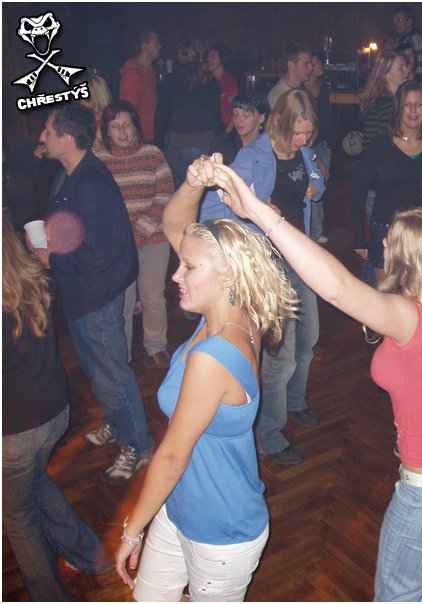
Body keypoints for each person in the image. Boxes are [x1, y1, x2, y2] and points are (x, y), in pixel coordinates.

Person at [204, 156, 422, 601]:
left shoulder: (409, 316)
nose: (382, 243)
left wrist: (259, 214)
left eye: (389, 240)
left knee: (397, 593)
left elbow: (336, 286)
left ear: (411, 260)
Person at [114, 157, 297, 601]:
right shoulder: (236, 312)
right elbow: (175, 223)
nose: (176, 274)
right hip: (178, 506)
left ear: (228, 275)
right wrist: (194, 182)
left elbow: (172, 456)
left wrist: (132, 529)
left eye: (189, 268)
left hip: (220, 532)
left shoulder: (214, 356)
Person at [200, 89, 326, 466]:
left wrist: (317, 185)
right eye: (298, 132)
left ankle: (295, 401)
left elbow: (316, 173)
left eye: (308, 133)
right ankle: (268, 435)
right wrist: (253, 211)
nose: (303, 139)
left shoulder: (302, 152)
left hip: (300, 256)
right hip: (270, 264)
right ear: (279, 122)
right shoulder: (253, 157)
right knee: (280, 357)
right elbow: (212, 208)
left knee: (308, 340)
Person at [33, 104, 153, 484]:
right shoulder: (71, 174)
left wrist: (53, 258)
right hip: (82, 293)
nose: (42, 137)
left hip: (96, 297)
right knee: (97, 371)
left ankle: (138, 445)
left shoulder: (90, 185)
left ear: (67, 139)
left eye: (48, 131)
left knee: (112, 374)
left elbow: (97, 254)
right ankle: (118, 423)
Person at [3, 216, 113, 601]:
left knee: (19, 517)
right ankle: (92, 556)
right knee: (36, 483)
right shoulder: (34, 281)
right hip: (53, 413)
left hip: (15, 430)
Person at [94, 100, 175, 370]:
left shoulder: (153, 154)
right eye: (115, 126)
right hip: (118, 245)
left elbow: (165, 194)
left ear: (136, 127)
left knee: (153, 296)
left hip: (154, 239)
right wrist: (122, 237)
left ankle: (157, 346)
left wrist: (139, 232)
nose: (122, 131)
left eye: (127, 125)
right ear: (106, 130)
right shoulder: (98, 160)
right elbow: (97, 203)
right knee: (123, 303)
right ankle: (123, 353)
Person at [352, 81, 422, 283]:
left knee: (418, 293)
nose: (412, 110)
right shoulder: (380, 144)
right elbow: (359, 190)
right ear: (398, 109)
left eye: (418, 104)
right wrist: (359, 237)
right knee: (387, 294)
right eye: (407, 105)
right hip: (386, 230)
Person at [155, 38, 221, 188]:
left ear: (180, 57)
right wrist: (216, 144)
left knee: (180, 189)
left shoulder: (170, 80)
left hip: (176, 142)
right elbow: (215, 118)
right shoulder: (211, 82)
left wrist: (158, 143)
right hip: (203, 142)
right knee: (201, 189)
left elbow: (161, 115)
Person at [304, 51, 334, 244]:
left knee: (321, 185)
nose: (320, 65)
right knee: (308, 186)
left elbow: (327, 116)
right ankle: (309, 232)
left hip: (322, 143)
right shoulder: (301, 90)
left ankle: (316, 230)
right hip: (307, 144)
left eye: (319, 62)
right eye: (315, 63)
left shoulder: (323, 87)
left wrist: (330, 142)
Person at [359, 50, 410, 153]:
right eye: (400, 68)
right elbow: (390, 139)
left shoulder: (383, 99)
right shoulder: (386, 103)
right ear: (387, 75)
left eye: (406, 66)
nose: (407, 70)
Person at [119, 29, 161, 143]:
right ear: (144, 46)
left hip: (152, 133)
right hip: (141, 136)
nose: (160, 46)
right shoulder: (132, 74)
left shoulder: (149, 70)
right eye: (156, 43)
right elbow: (128, 110)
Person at [205, 43, 240, 132]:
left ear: (223, 60)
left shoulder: (228, 81)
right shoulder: (206, 80)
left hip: (224, 127)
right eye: (208, 56)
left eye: (213, 57)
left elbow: (235, 111)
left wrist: (226, 133)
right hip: (209, 127)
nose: (208, 59)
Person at [267, 43, 313, 111]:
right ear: (291, 65)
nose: (311, 68)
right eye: (306, 63)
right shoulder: (278, 98)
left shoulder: (303, 90)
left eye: (310, 63)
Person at [391, 4, 422, 77]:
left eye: (400, 20)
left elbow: (421, 65)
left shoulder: (416, 39)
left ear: (409, 21)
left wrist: (414, 81)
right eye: (394, 20)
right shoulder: (399, 39)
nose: (396, 23)